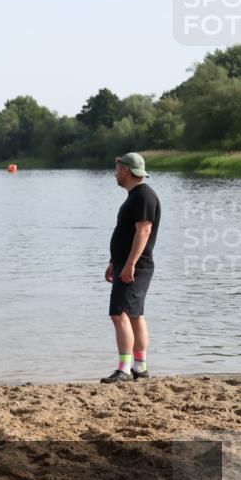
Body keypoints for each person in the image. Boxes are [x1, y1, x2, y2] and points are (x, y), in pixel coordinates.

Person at [101, 152, 160, 383]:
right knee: (135, 315)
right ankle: (140, 367)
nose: (115, 173)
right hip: (127, 265)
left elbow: (143, 231)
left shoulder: (143, 196)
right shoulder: (136, 196)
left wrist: (130, 265)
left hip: (136, 266)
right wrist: (114, 263)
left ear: (126, 170)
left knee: (119, 314)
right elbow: (127, 233)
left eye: (117, 169)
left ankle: (125, 369)